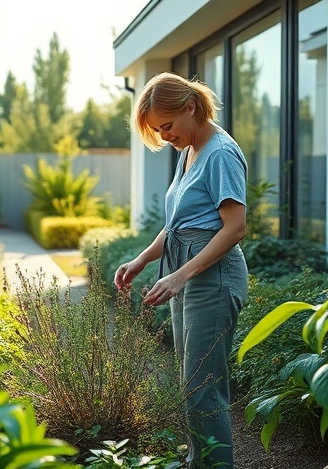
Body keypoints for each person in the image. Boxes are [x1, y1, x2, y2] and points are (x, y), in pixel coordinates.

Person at [114, 72, 248, 468]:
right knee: (191, 383)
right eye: (158, 130)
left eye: (167, 126)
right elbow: (177, 224)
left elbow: (235, 228)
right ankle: (197, 460)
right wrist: (143, 259)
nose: (164, 137)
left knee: (203, 387)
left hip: (214, 278)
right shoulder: (189, 150)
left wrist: (180, 275)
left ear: (190, 107)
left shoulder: (220, 153)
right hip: (184, 269)